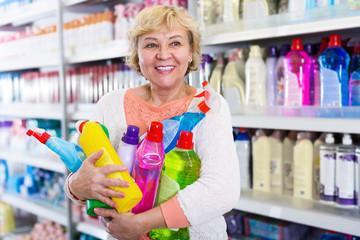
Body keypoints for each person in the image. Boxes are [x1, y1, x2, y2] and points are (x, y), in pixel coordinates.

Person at [64, 5, 240, 240]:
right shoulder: (110, 104)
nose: (164, 54)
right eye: (151, 44)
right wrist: (75, 186)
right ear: (137, 54)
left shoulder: (209, 107)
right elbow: (85, 172)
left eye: (175, 43)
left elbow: (221, 191)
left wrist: (140, 223)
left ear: (191, 52)